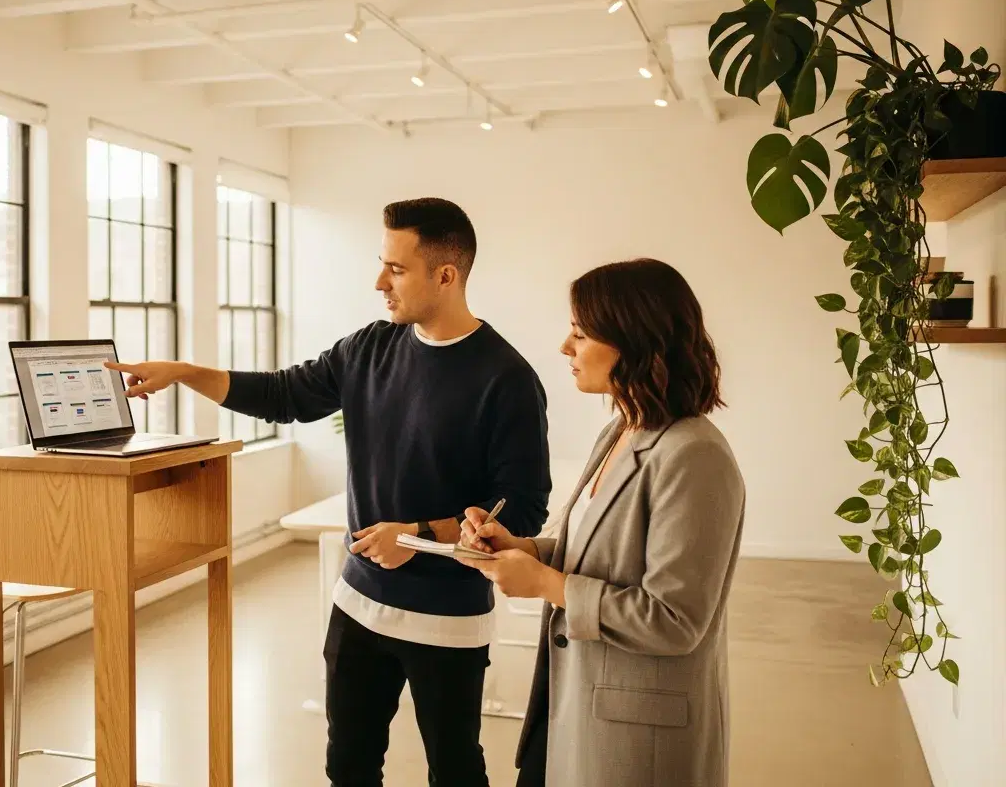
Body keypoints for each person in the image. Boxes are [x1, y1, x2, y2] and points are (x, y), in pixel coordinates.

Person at [106, 197, 551, 787]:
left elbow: (522, 509)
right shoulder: (369, 348)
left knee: (455, 772)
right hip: (358, 604)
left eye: (396, 269)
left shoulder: (507, 379)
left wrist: (417, 536)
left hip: (447, 619)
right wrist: (185, 373)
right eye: (382, 264)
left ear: (446, 276)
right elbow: (283, 395)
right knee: (348, 766)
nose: (379, 283)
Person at [458, 258, 745, 787]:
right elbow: (598, 551)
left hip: (635, 736)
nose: (565, 347)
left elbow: (674, 620)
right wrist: (521, 547)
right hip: (572, 705)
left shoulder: (694, 456)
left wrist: (544, 583)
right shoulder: (620, 430)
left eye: (580, 333)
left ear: (633, 341)